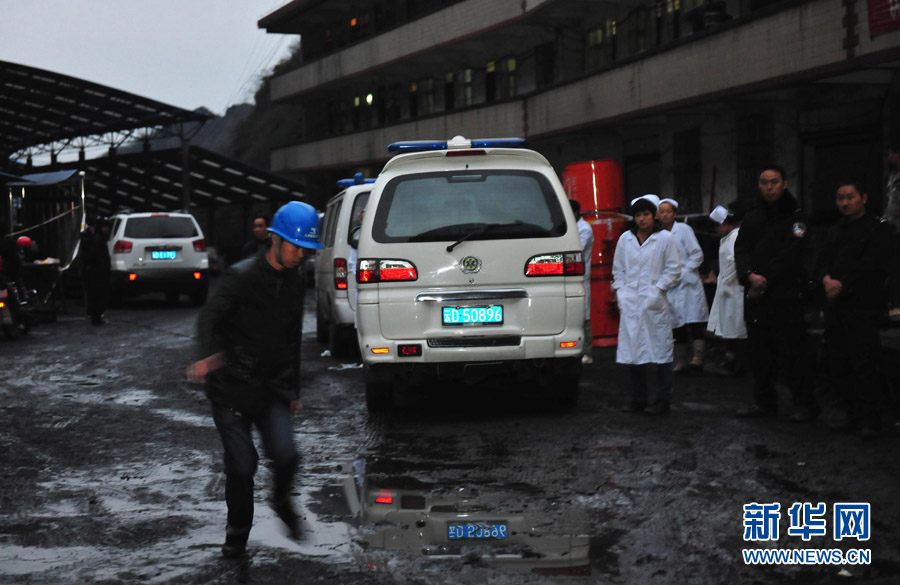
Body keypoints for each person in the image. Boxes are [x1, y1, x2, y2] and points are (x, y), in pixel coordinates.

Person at [187, 201, 324, 558]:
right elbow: (208, 318)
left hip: (271, 388)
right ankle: (237, 535)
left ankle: (281, 501)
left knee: (287, 455)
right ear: (275, 240)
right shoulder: (241, 276)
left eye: (306, 250)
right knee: (242, 465)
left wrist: (292, 389)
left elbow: (293, 336)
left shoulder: (295, 283)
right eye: (294, 246)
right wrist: (206, 355)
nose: (300, 255)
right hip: (231, 387)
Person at [733, 164, 819, 421]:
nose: (769, 187)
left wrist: (764, 279)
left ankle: (805, 405)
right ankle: (765, 403)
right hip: (758, 298)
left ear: (784, 184)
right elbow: (741, 250)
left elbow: (793, 254)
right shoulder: (752, 216)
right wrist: (748, 275)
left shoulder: (797, 217)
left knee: (794, 354)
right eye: (764, 182)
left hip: (787, 295)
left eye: (774, 182)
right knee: (760, 354)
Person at [814, 180, 892, 440]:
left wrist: (844, 285)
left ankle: (871, 420)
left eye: (850, 197)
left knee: (864, 363)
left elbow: (874, 265)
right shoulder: (835, 230)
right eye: (840, 198)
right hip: (836, 307)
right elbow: (822, 260)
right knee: (839, 363)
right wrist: (826, 279)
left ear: (864, 198)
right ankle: (849, 415)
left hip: (862, 306)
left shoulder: (879, 229)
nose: (845, 203)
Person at [611, 194, 681, 415]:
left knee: (661, 351)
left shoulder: (664, 239)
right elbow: (618, 269)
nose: (642, 219)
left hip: (654, 302)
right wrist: (621, 291)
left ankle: (663, 399)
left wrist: (657, 289)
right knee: (634, 350)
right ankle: (639, 398)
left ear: (654, 216)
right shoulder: (625, 239)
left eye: (646, 215)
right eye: (638, 215)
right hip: (631, 301)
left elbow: (674, 270)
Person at [657, 198, 709, 373]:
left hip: (688, 284)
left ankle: (698, 359)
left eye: (668, 211)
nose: (665, 215)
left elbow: (697, 254)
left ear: (675, 214)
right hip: (672, 286)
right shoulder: (658, 235)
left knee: (694, 322)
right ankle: (681, 361)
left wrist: (683, 272)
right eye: (661, 211)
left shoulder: (684, 230)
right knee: (677, 324)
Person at [706, 202, 746, 376]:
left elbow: (735, 264)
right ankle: (733, 360)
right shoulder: (726, 239)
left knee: (736, 327)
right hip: (727, 289)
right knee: (730, 327)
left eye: (719, 225)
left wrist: (725, 281)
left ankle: (739, 364)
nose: (717, 229)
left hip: (734, 289)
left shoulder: (735, 237)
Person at [570, 199, 595, 364]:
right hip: (570, 278)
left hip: (581, 278)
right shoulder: (572, 227)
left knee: (584, 317)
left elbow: (576, 248)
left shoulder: (584, 229)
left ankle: (588, 352)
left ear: (576, 213)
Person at [81, 216, 112, 325]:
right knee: (98, 294)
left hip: (97, 271)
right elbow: (94, 255)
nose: (107, 229)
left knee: (96, 294)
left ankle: (96, 315)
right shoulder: (97, 239)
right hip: (97, 272)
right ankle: (96, 316)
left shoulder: (96, 238)